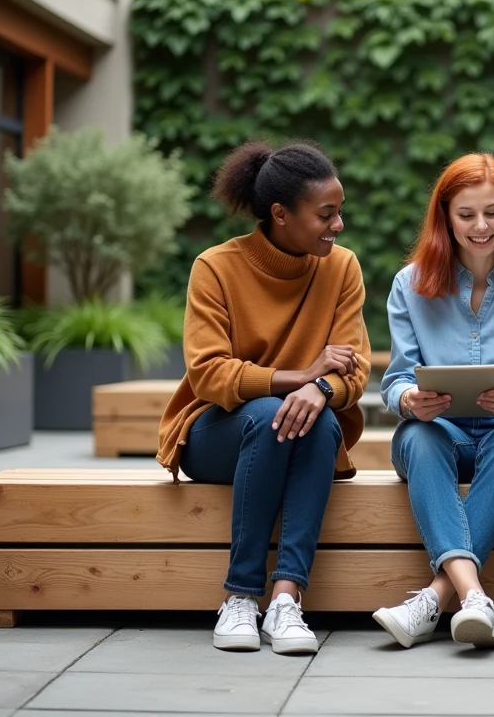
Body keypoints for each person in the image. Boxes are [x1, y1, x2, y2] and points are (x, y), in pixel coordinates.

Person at [157, 140, 370, 654]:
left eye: (339, 212)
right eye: (326, 214)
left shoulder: (342, 268)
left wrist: (321, 387)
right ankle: (239, 596)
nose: (338, 225)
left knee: (320, 421)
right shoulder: (215, 267)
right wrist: (301, 377)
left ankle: (286, 599)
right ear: (280, 214)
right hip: (216, 432)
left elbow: (355, 370)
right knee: (276, 414)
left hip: (301, 428)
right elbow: (208, 374)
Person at [372, 153, 494, 649]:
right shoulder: (410, 284)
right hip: (441, 433)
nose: (481, 226)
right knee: (419, 436)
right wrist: (410, 400)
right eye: (466, 215)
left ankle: (438, 598)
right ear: (444, 216)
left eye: (492, 212)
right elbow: (394, 379)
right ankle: (474, 598)